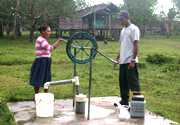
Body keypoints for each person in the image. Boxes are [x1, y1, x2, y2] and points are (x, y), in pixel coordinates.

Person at [29, 24, 63, 95]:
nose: (49, 33)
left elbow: (49, 50)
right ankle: (37, 95)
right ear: (43, 31)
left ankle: (46, 95)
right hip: (41, 61)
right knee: (38, 77)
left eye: (50, 31)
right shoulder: (40, 39)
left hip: (46, 61)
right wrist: (58, 41)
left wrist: (58, 42)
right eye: (48, 31)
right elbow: (50, 48)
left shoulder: (44, 40)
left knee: (46, 78)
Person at [116, 11, 141, 106]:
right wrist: (118, 57)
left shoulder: (134, 29)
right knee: (122, 82)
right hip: (123, 61)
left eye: (121, 19)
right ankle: (124, 101)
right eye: (119, 20)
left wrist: (133, 60)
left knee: (133, 83)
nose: (120, 22)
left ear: (127, 18)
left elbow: (136, 45)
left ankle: (137, 103)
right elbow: (122, 45)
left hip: (130, 61)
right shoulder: (123, 30)